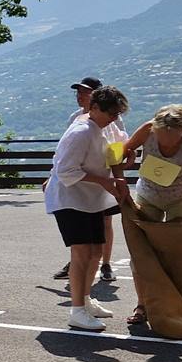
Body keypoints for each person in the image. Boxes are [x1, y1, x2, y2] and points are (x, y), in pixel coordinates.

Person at [44, 85, 130, 332]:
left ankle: (85, 298)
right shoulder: (81, 131)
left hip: (91, 199)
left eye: (117, 114)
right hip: (69, 199)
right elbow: (66, 171)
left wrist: (128, 154)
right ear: (94, 108)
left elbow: (119, 147)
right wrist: (104, 181)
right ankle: (76, 311)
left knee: (96, 252)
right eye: (110, 113)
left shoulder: (109, 125)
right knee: (81, 252)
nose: (114, 118)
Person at [118, 103, 182, 325]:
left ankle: (179, 308)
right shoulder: (147, 129)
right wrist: (122, 164)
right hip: (148, 193)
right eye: (162, 136)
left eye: (174, 138)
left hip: (181, 197)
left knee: (176, 255)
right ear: (155, 128)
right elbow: (123, 150)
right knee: (141, 252)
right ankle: (142, 305)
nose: (167, 142)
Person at [53, 76, 124, 283]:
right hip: (78, 191)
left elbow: (117, 146)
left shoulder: (111, 120)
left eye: (85, 92)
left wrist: (119, 170)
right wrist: (52, 175)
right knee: (83, 248)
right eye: (79, 92)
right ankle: (80, 299)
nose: (80, 95)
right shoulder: (78, 123)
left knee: (100, 234)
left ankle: (104, 265)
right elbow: (64, 160)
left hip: (100, 186)